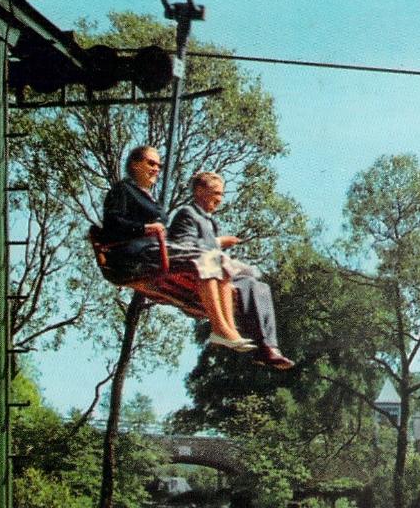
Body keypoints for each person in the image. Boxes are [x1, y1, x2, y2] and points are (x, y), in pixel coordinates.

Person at [100, 147, 254, 352]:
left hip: (154, 251)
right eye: (151, 163)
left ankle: (229, 329)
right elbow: (112, 224)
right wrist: (145, 228)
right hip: (136, 255)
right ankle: (219, 328)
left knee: (220, 261)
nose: (156, 169)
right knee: (208, 258)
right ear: (135, 164)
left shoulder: (147, 197)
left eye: (159, 165)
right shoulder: (123, 190)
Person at [169, 171, 294, 369]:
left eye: (221, 194)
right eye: (216, 193)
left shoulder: (210, 221)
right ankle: (224, 329)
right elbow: (182, 246)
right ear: (200, 191)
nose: (219, 199)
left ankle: (267, 347)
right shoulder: (187, 213)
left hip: (214, 270)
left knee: (257, 286)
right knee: (227, 266)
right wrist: (218, 242)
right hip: (198, 268)